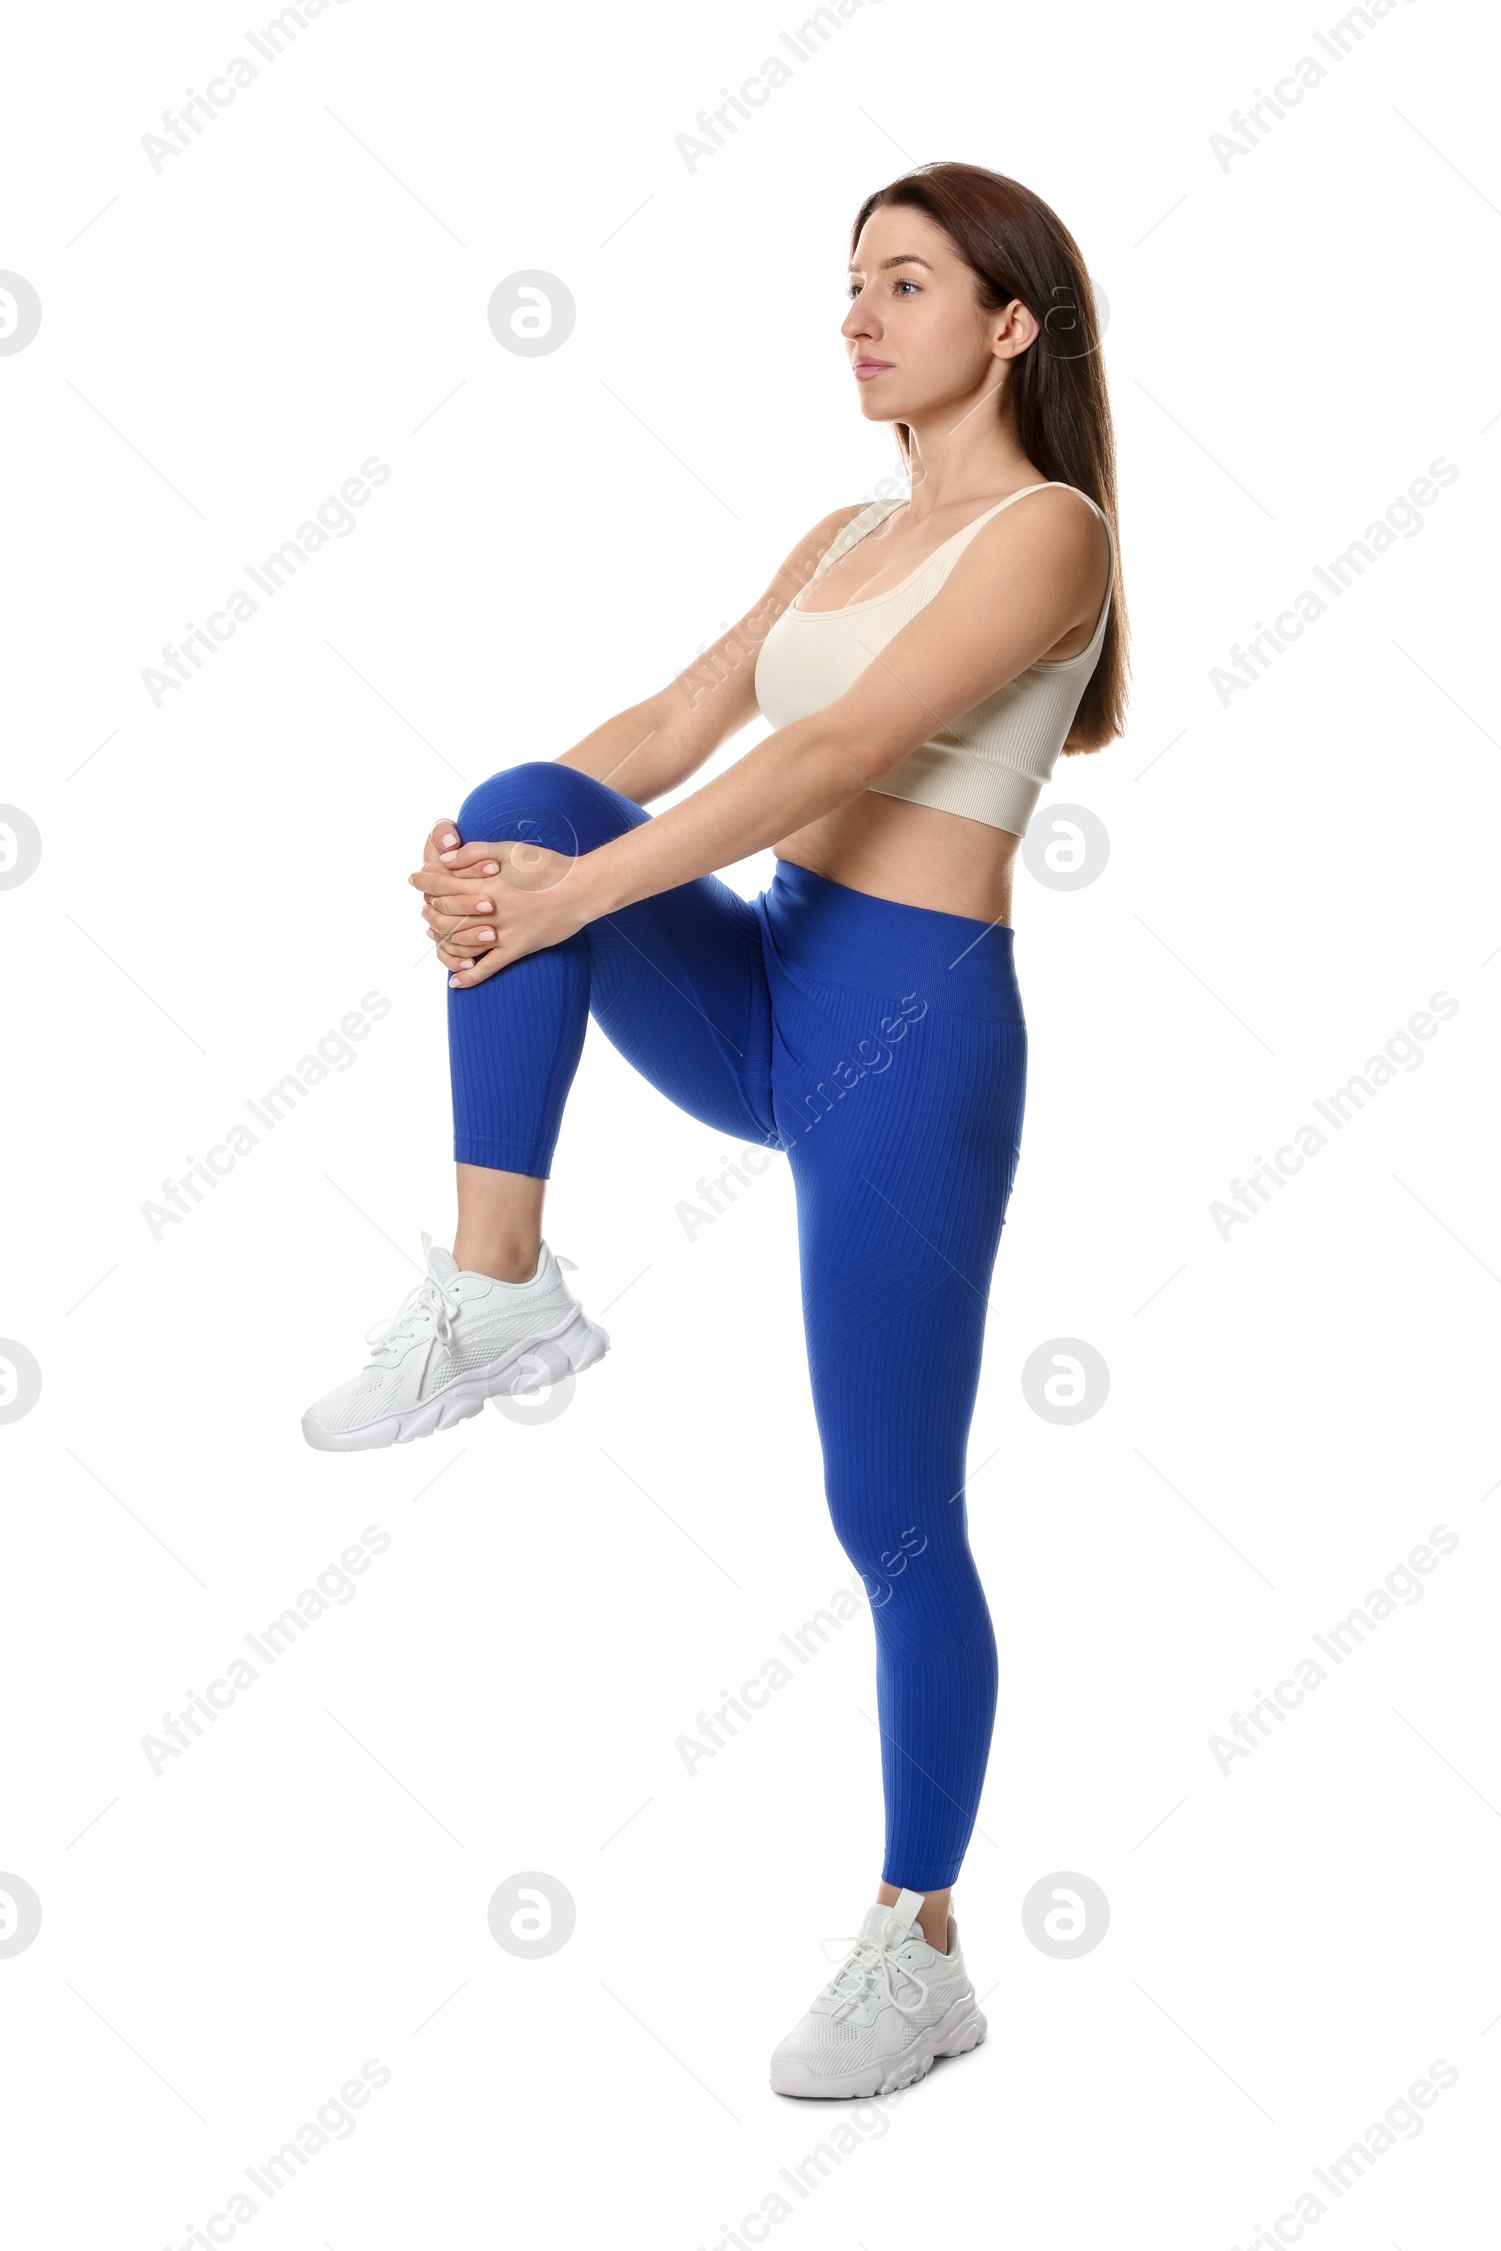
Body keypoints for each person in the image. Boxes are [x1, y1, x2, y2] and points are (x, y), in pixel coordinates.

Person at [303, 160, 1126, 2098]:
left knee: (888, 1512)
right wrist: (493, 868)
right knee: (525, 790)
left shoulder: (1050, 532)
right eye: (847, 284)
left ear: (1007, 321)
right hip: (763, 973)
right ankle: (493, 1283)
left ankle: (917, 1935)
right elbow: (669, 730)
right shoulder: (842, 529)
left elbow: (833, 753)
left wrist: (569, 905)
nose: (857, 313)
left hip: (910, 1037)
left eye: (902, 283)